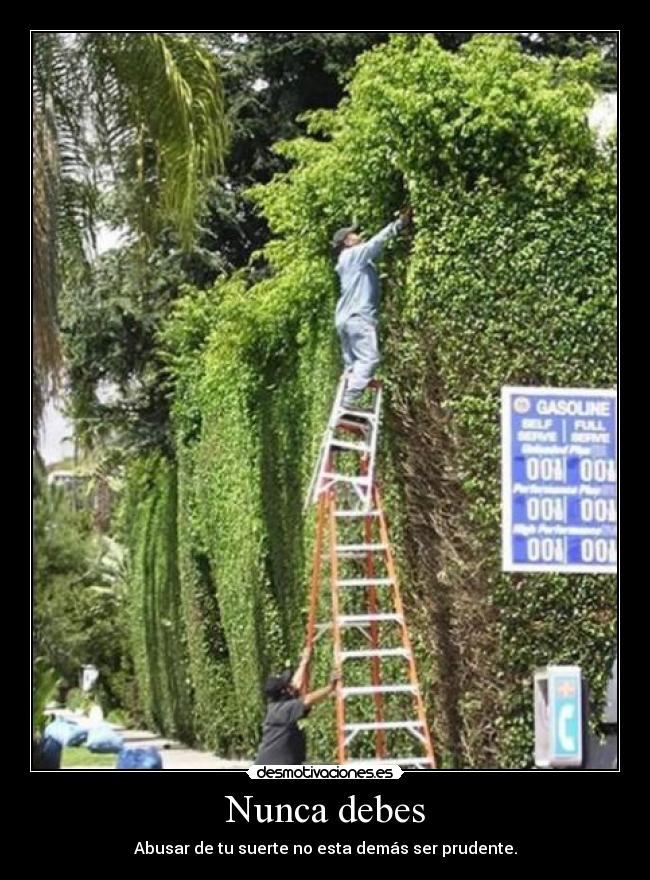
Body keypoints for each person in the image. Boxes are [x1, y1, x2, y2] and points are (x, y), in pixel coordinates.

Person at [331, 209, 412, 408]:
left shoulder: (347, 262)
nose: (358, 234)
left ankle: (345, 400)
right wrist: (399, 225)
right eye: (353, 233)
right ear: (347, 242)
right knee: (370, 359)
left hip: (345, 319)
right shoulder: (353, 255)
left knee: (352, 367)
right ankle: (348, 403)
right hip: (358, 317)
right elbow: (376, 243)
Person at [254, 644, 339, 765]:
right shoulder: (282, 711)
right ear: (283, 691)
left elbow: (295, 684)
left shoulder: (279, 706)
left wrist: (304, 662)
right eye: (287, 685)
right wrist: (330, 687)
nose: (291, 686)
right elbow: (307, 700)